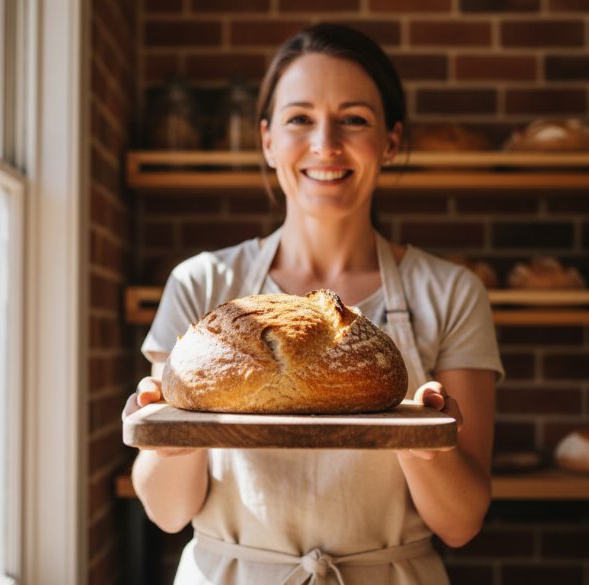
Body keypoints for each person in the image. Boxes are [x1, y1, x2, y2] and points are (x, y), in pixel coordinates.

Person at [123, 23, 504, 585]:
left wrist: (423, 442)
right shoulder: (202, 285)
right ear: (268, 140)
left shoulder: (449, 292)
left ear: (391, 141)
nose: (326, 144)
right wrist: (170, 443)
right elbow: (166, 511)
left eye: (354, 119)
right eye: (300, 118)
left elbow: (461, 522)